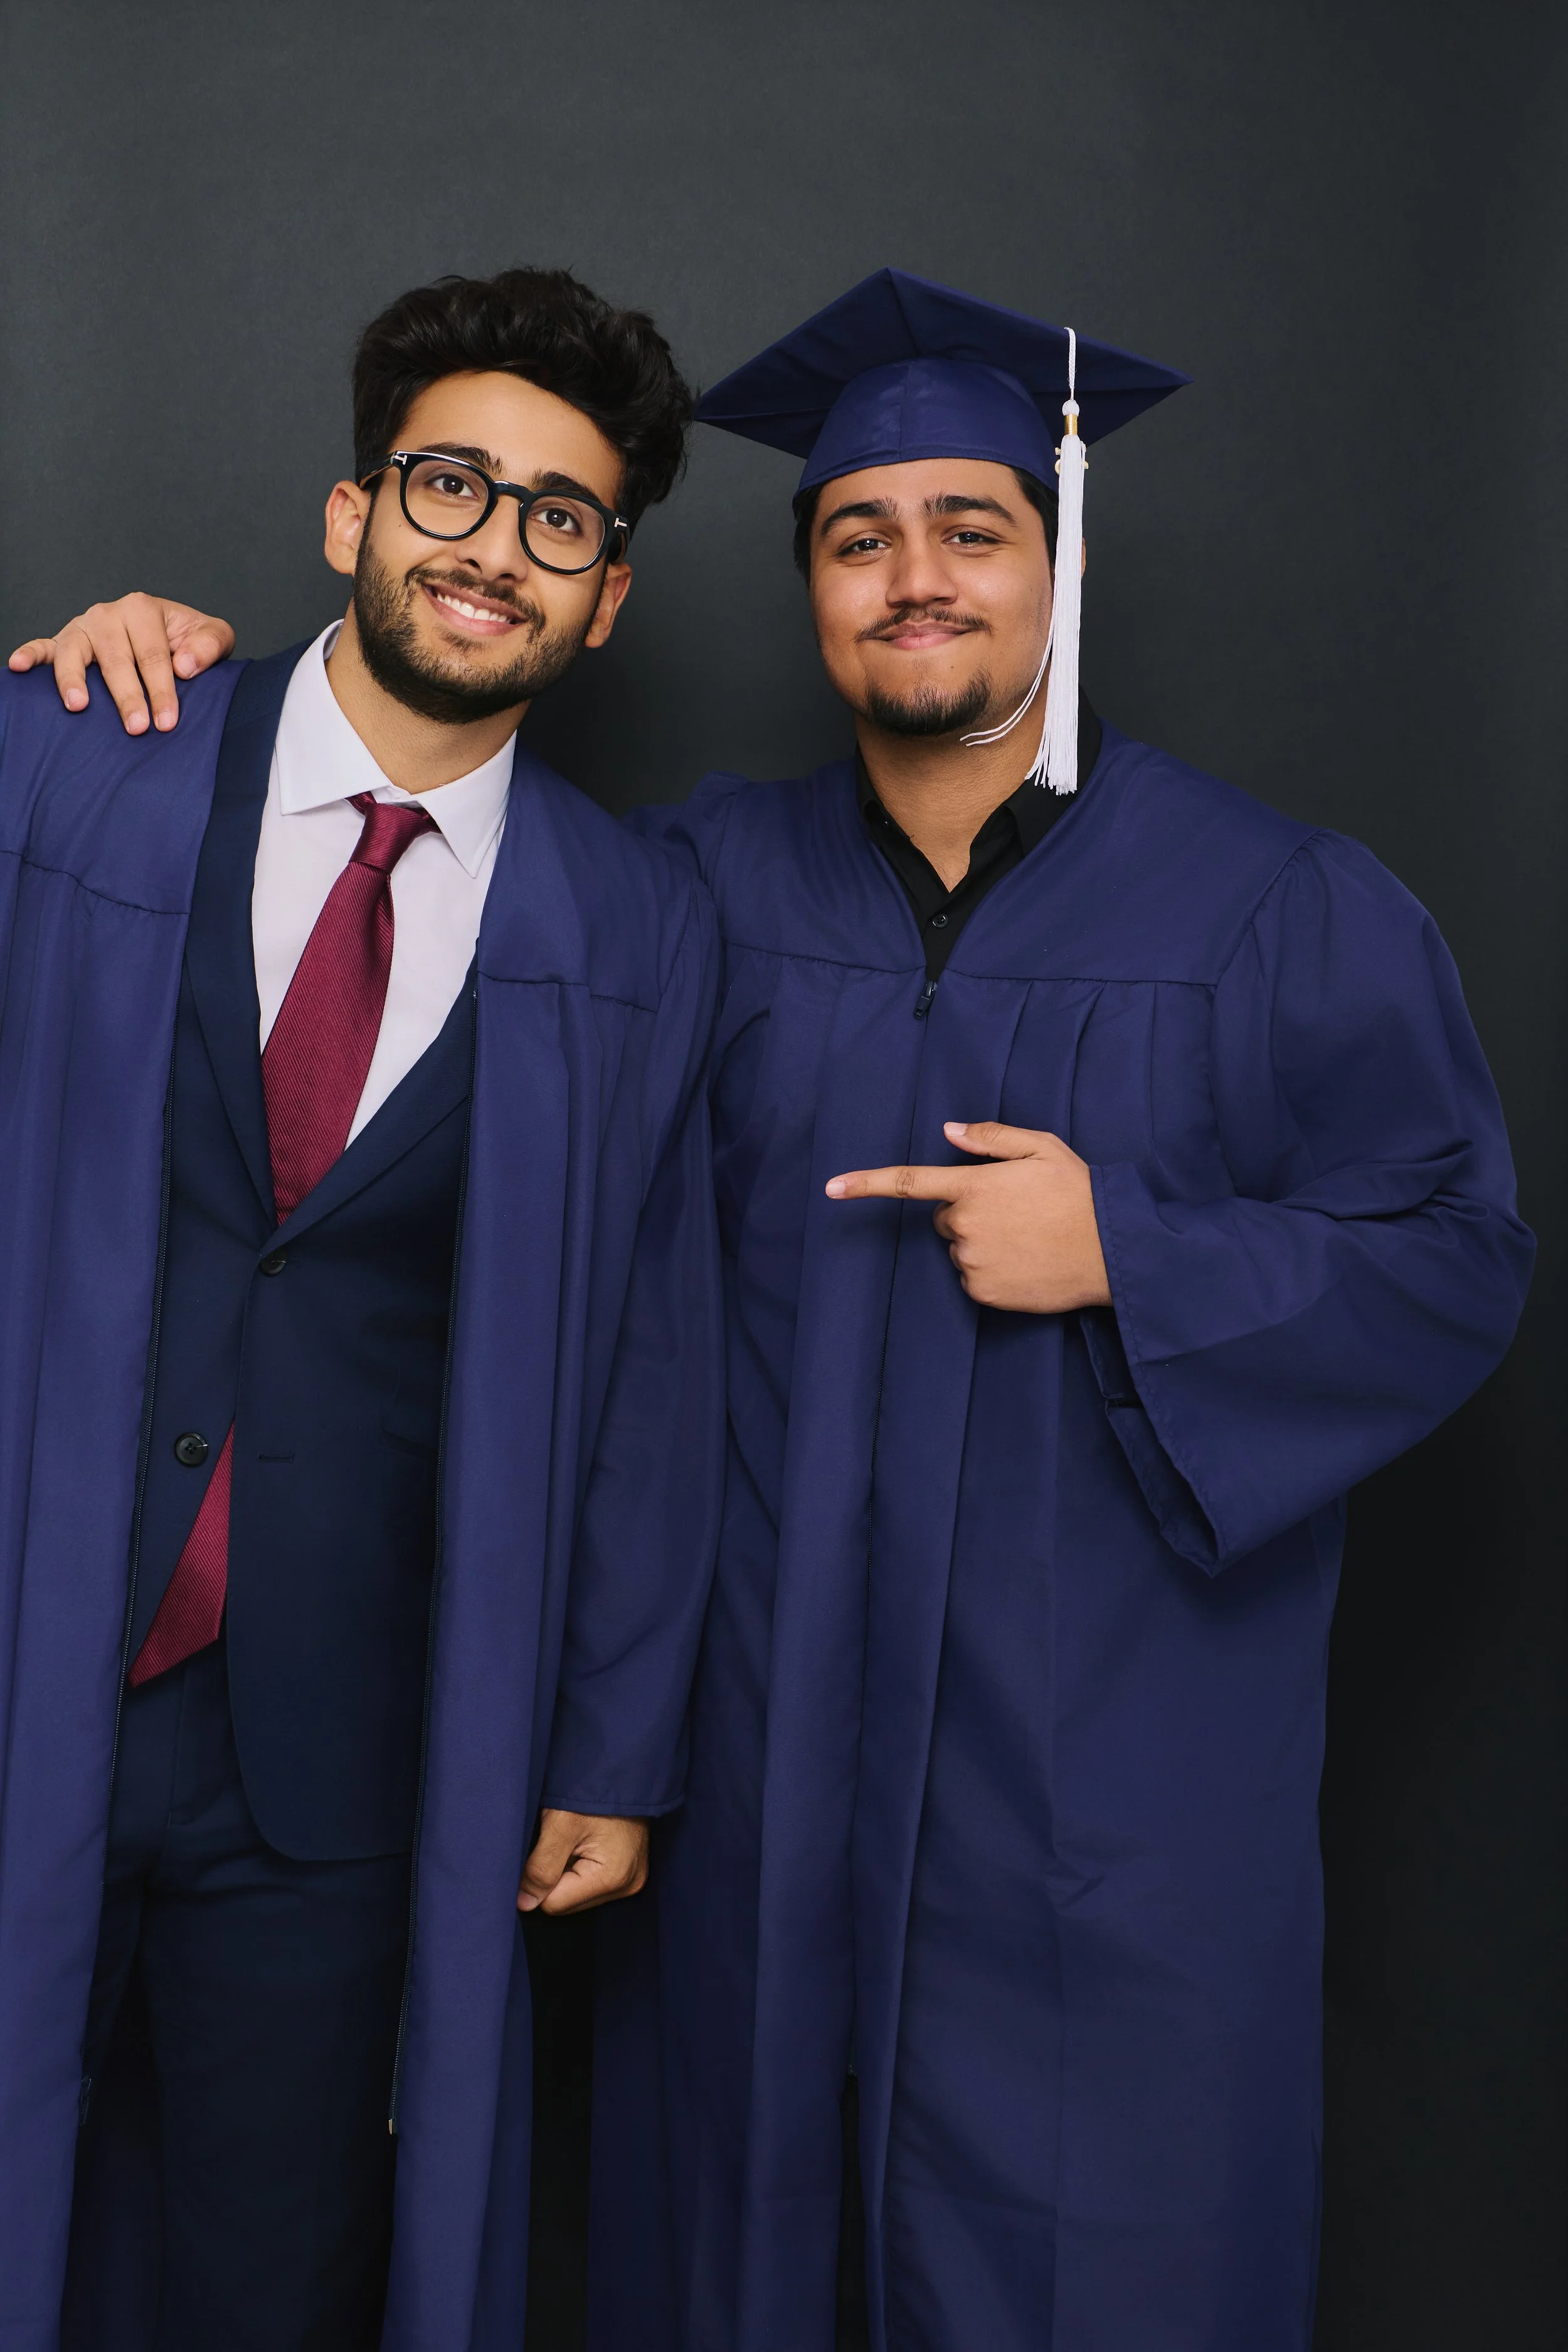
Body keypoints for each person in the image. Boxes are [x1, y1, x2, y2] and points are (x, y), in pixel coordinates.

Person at [24, 269, 1535, 2352]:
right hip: (760, 1780)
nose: (912, 579)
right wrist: (156, 654)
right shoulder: (691, 898)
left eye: (970, 529)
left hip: (1097, 1799)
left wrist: (1146, 1251)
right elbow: (619, 1325)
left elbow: (1458, 1246)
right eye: (854, 537)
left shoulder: (1279, 907)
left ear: (1056, 559)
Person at [0, 265, 723, 2352]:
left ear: (602, 603)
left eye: (557, 518)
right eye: (448, 484)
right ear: (350, 513)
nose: (490, 544)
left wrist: (607, 1734)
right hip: (36, 1644)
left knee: (271, 2283)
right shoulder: (82, 765)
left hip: (339, 1757)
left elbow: (656, 1357)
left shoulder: (632, 922)